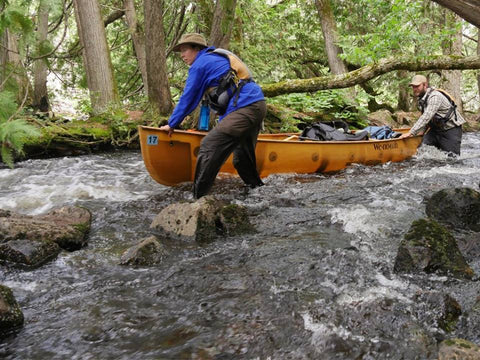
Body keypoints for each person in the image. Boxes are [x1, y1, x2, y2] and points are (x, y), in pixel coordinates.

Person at [159, 33, 266, 198]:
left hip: (246, 108)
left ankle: (198, 198)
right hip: (256, 105)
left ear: (197, 48)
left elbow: (188, 98)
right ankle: (258, 192)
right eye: (180, 51)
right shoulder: (214, 59)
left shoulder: (200, 65)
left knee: (209, 144)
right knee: (241, 159)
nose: (182, 55)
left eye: (185, 50)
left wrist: (172, 124)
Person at [399, 74, 466, 155]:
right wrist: (421, 132)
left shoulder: (435, 96)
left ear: (425, 85)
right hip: (435, 131)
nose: (415, 89)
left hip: (451, 130)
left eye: (417, 86)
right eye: (413, 86)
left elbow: (427, 116)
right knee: (421, 151)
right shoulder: (421, 99)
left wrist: (411, 132)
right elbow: (427, 120)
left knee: (452, 159)